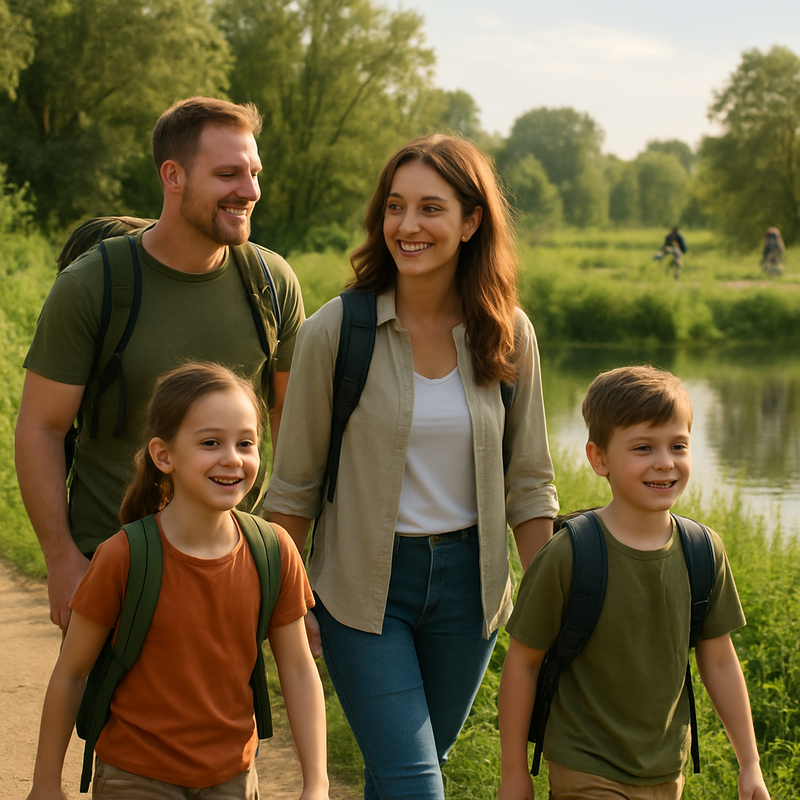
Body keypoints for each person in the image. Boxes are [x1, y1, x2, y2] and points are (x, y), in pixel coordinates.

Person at [265, 134, 559, 800]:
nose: (408, 226)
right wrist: (286, 602)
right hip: (362, 592)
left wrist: (551, 609)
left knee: (406, 771)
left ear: (471, 220)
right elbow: (294, 487)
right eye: (395, 207)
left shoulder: (508, 332)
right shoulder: (337, 331)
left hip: (471, 592)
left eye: (430, 208)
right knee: (414, 783)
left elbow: (531, 486)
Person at [15, 97, 305, 631]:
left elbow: (294, 425)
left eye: (253, 172)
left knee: (228, 718)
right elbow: (40, 426)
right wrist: (60, 561)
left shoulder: (272, 282)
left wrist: (285, 560)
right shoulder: (92, 285)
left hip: (232, 575)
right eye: (227, 173)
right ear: (173, 175)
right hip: (113, 571)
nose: (250, 190)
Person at [25, 362, 329, 800]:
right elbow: (71, 673)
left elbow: (299, 670)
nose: (232, 458)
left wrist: (316, 783)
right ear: (163, 455)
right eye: (211, 442)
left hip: (232, 777)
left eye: (246, 443)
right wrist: (45, 784)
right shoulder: (124, 556)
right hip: (134, 775)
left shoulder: (274, 551)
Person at [497, 365, 771, 800]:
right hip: (584, 766)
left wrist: (750, 763)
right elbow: (523, 663)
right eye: (643, 447)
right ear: (598, 458)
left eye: (678, 445)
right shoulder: (569, 554)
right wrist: (514, 773)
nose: (665, 461)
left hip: (665, 770)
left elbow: (718, 661)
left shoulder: (703, 550)